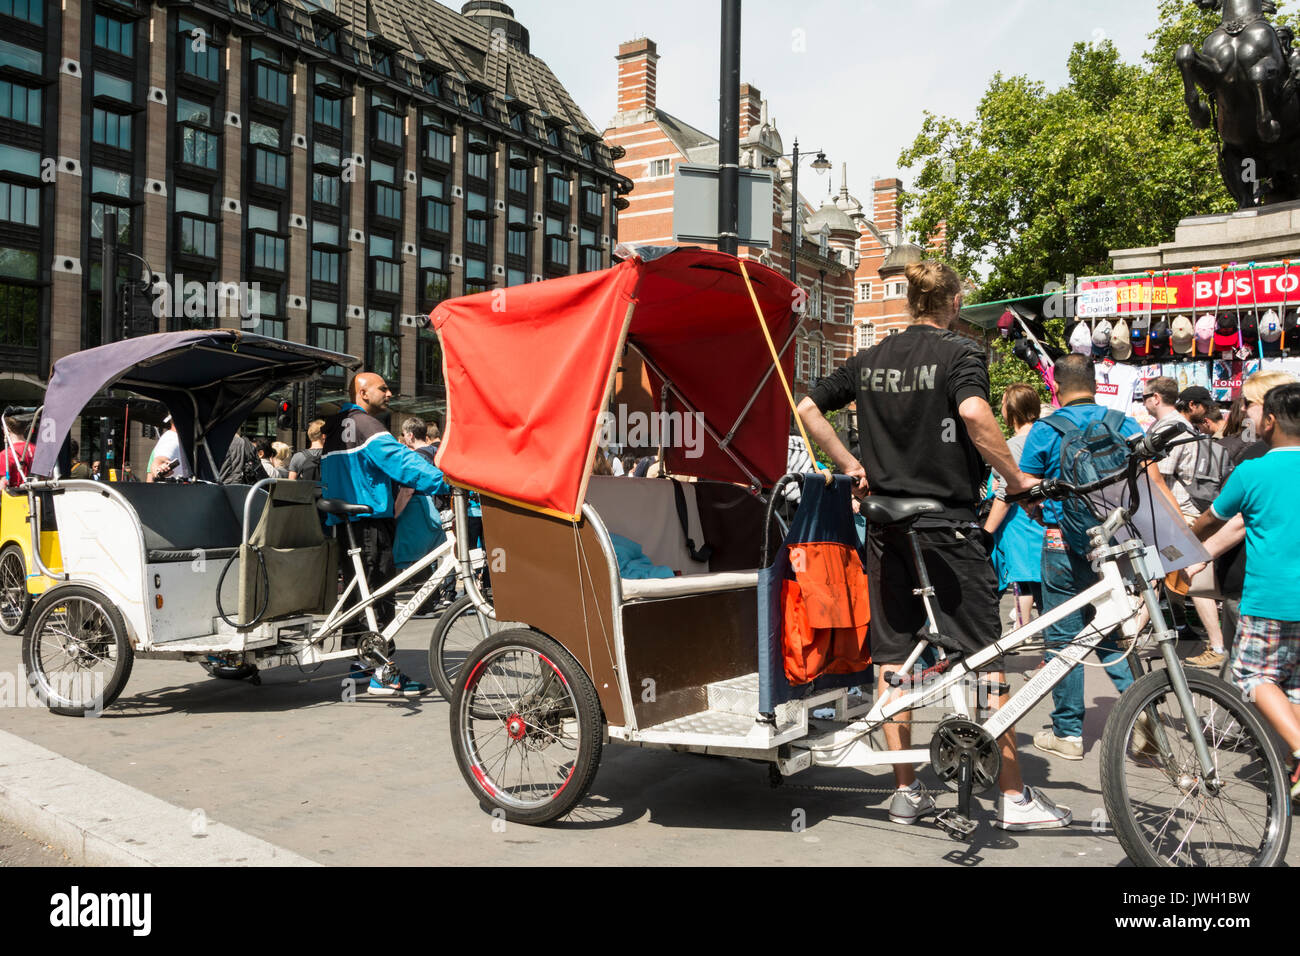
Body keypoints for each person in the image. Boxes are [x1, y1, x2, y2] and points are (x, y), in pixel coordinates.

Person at [798, 258, 1070, 832]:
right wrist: (1017, 482)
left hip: (887, 528)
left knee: (894, 655)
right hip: (948, 527)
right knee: (985, 657)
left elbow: (806, 407)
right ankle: (1015, 795)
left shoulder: (870, 359)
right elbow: (973, 411)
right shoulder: (960, 353)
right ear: (951, 304)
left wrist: (850, 465)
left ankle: (904, 790)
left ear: (908, 305)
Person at [1019, 354, 1176, 760]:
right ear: (1094, 382)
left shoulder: (1044, 429)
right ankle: (1140, 711)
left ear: (1056, 385)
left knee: (1062, 634)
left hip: (1061, 542)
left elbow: (1025, 486)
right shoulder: (1123, 422)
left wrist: (1039, 509)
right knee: (1107, 629)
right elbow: (1150, 480)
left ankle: (1068, 732)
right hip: (1112, 541)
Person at [1192, 382, 1300, 797]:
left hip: (1269, 600)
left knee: (1254, 675)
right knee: (1293, 686)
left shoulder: (1252, 471)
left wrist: (1185, 540)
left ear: (1269, 421)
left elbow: (1212, 519)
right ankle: (1294, 766)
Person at [322, 373, 452, 695]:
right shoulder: (367, 426)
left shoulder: (336, 427)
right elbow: (402, 462)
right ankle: (383, 672)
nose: (390, 393)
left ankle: (362, 664)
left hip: (345, 523)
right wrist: (445, 481)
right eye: (383, 388)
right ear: (362, 391)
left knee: (360, 597)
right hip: (369, 520)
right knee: (378, 596)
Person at [1185, 370, 1298, 670]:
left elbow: (1234, 520)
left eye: (1248, 402)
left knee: (1247, 682)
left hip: (1256, 587)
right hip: (1269, 588)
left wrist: (1195, 552)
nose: (1243, 410)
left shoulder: (1258, 461)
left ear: (1270, 409)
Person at [1144, 377, 1227, 668]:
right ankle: (1181, 628)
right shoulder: (1184, 427)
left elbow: (1159, 475)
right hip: (1184, 514)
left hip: (1175, 515)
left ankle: (1216, 644)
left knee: (1169, 574)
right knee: (1165, 573)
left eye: (1145, 397)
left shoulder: (1172, 427)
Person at [983, 383, 1046, 629]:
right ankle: (1030, 633)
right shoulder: (1045, 437)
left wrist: (985, 533)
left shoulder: (1013, 446)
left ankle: (1052, 653)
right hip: (1040, 521)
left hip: (1022, 525)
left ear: (1011, 409)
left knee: (1031, 585)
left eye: (1003, 404)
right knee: (1040, 588)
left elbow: (1004, 496)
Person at [395, 416, 453, 615]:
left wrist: (397, 509)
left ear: (410, 435)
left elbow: (409, 487)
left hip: (419, 507)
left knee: (417, 559)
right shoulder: (438, 452)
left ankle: (426, 602)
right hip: (440, 508)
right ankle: (436, 597)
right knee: (435, 556)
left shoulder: (415, 457)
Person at [1, 415, 33, 489]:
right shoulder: (37, 449)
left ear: (7, 430)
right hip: (39, 496)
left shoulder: (6, 454)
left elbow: (6, 480)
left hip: (18, 497)